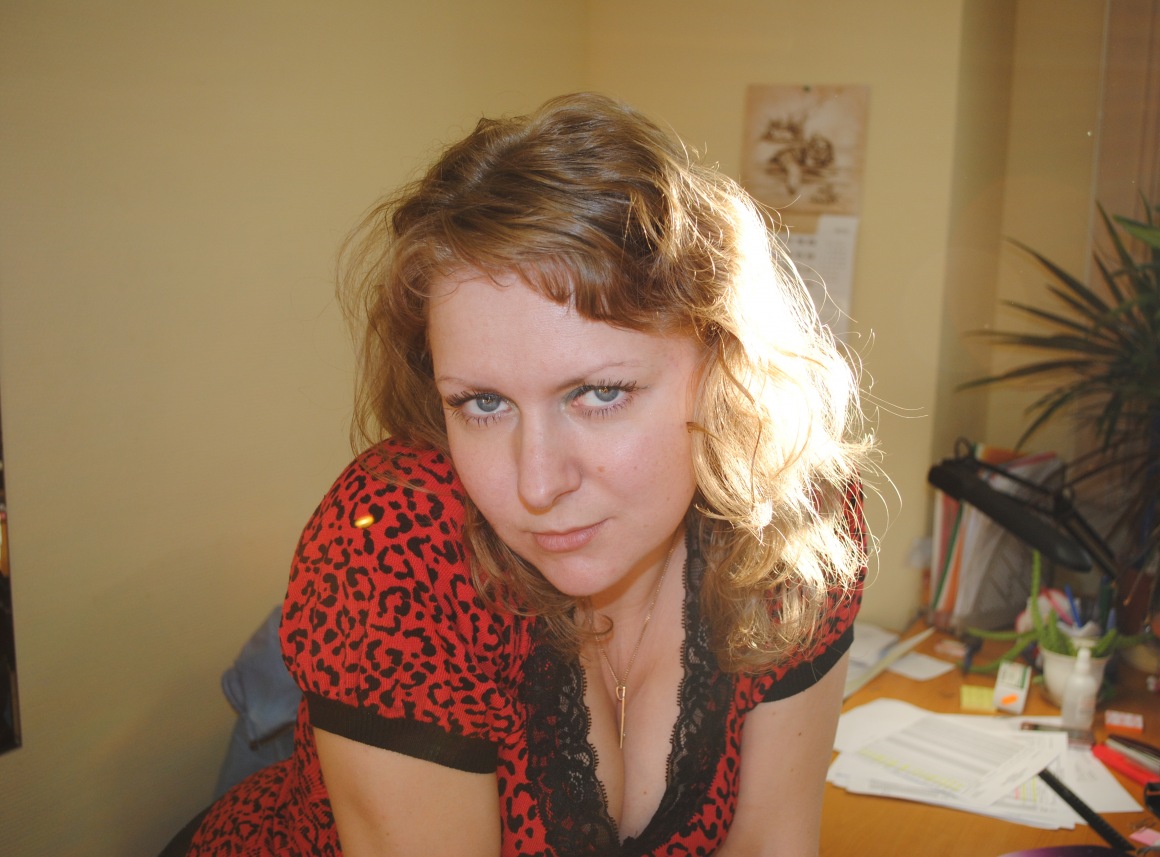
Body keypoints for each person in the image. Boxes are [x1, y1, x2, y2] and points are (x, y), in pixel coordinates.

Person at [163, 91, 874, 857]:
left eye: (599, 392)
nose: (536, 485)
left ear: (723, 362)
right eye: (483, 403)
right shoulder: (395, 543)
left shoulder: (792, 515)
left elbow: (771, 840)